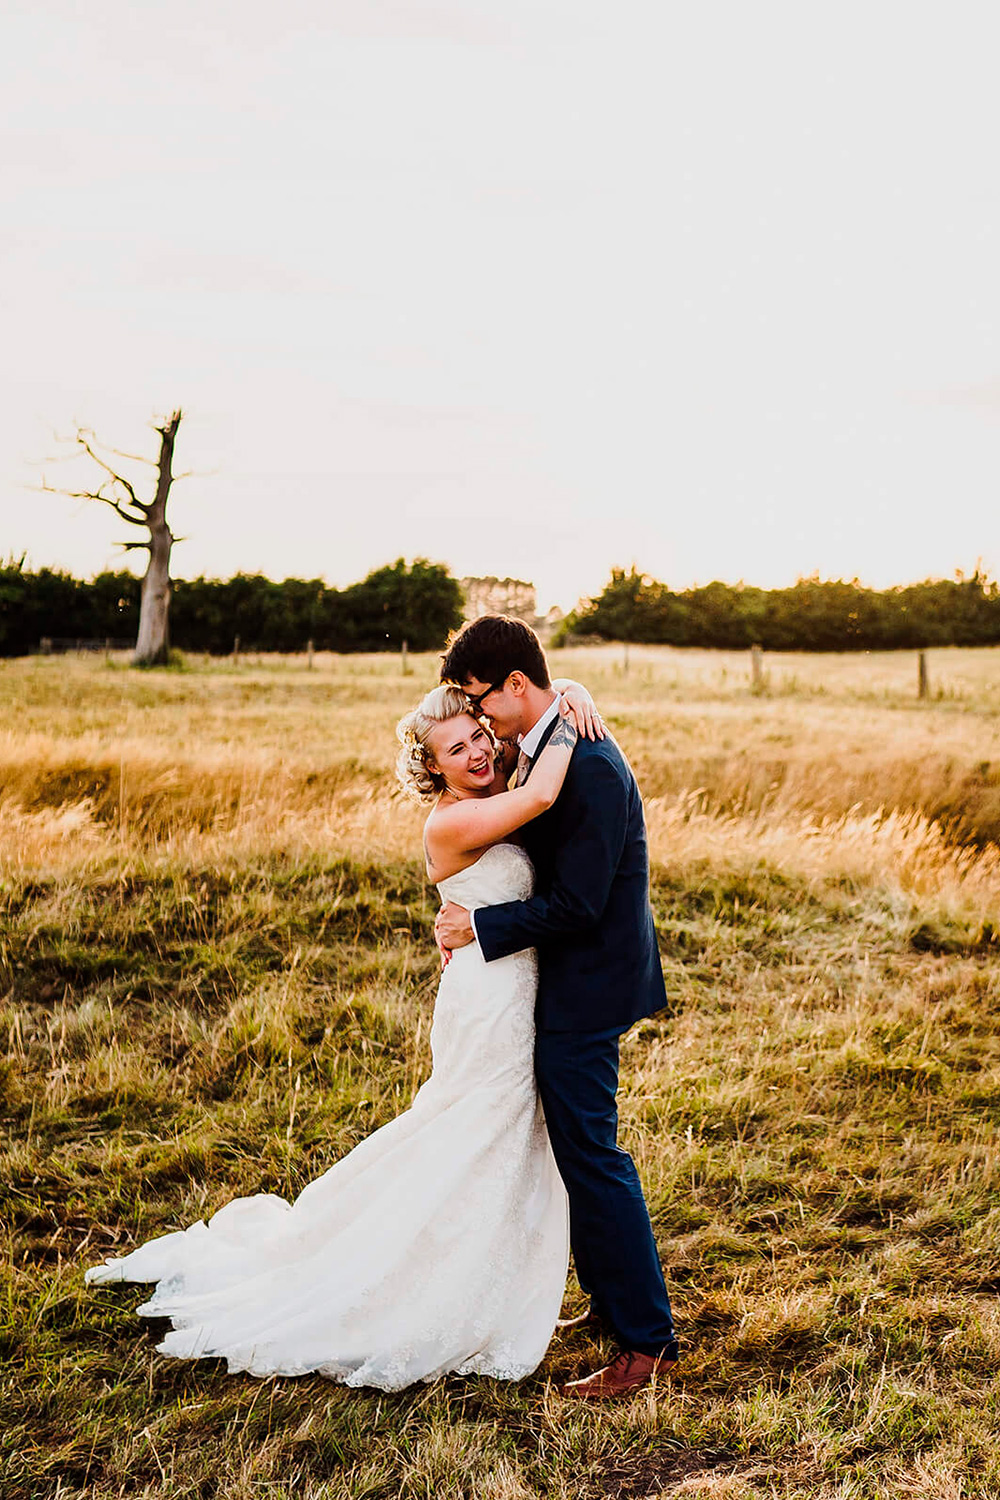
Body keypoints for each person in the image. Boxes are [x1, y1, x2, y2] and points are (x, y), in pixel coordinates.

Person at [85, 680, 601, 1392]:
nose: (478, 750)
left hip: (515, 988)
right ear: (434, 767)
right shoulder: (450, 824)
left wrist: (560, 689)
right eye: (457, 747)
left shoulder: (493, 789)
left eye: (480, 734)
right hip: (486, 1003)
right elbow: (543, 797)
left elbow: (527, 799)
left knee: (508, 1134)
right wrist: (570, 703)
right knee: (473, 1130)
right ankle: (415, 1285)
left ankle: (496, 1285)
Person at [436, 615, 679, 1399]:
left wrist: (480, 923)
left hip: (588, 987)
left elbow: (577, 904)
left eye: (482, 700)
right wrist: (569, 685)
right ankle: (616, 1309)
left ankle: (645, 1344)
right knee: (577, 1153)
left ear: (515, 685)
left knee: (595, 1160)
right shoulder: (544, 735)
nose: (478, 720)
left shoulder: (594, 766)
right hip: (554, 984)